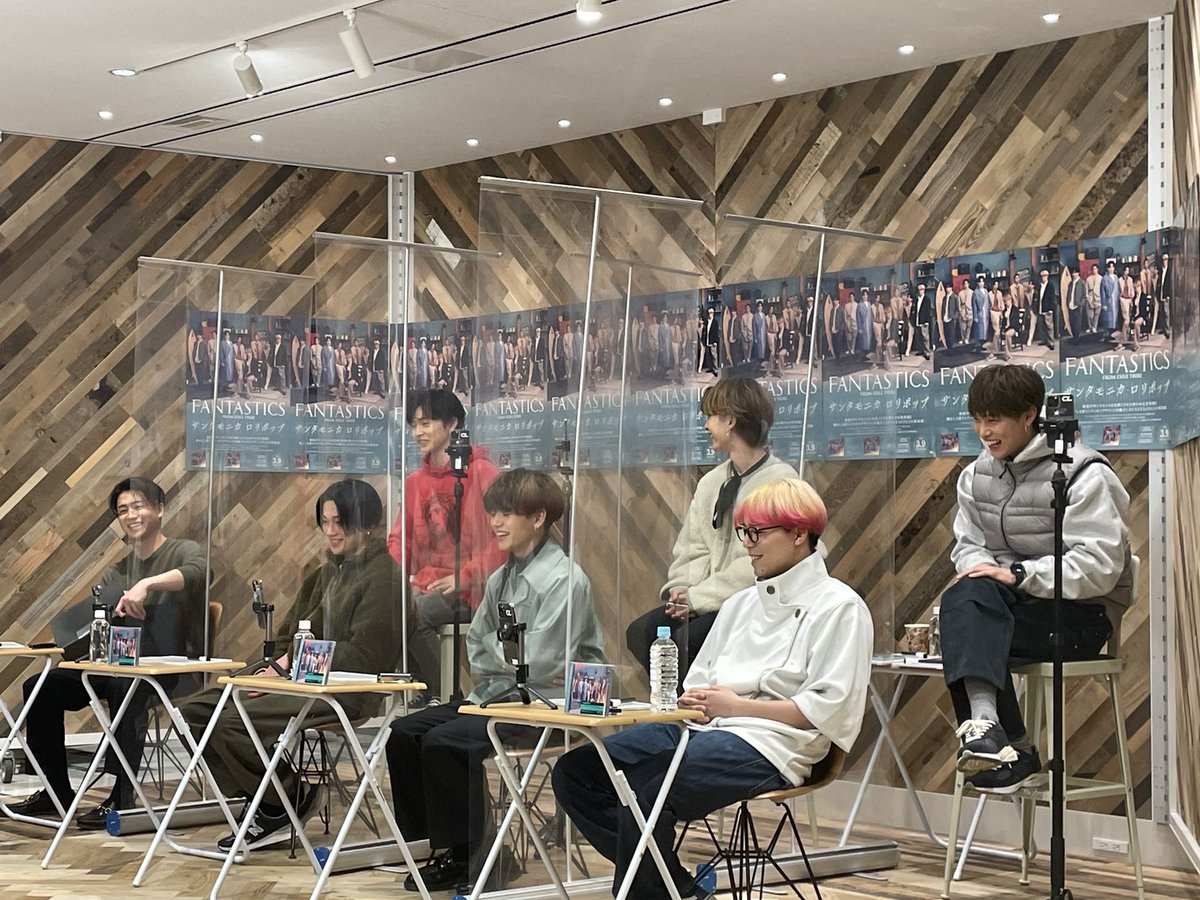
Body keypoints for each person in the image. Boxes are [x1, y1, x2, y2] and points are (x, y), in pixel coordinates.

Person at [554, 479, 873, 900]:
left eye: (757, 532)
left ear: (799, 534)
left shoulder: (841, 607)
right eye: (743, 532)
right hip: (704, 728)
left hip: (773, 744)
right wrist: (697, 701)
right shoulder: (741, 603)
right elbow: (699, 680)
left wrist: (737, 706)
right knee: (576, 772)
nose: (747, 545)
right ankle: (676, 886)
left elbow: (827, 709)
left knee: (648, 791)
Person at [386, 468, 603, 893]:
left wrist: (499, 652)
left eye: (507, 513)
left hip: (547, 705)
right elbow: (476, 647)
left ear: (537, 518)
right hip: (498, 696)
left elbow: (539, 664)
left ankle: (477, 856)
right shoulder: (501, 577)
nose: (496, 522)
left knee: (445, 742)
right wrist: (504, 654)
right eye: (493, 513)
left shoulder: (565, 580)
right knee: (404, 732)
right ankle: (450, 845)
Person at [938, 364, 1132, 792]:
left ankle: (1010, 745)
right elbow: (967, 547)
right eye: (977, 420)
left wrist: (1018, 573)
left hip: (1081, 615)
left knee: (968, 624)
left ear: (1028, 416)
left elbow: (1100, 565)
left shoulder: (1083, 472)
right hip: (1011, 609)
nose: (984, 432)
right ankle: (988, 730)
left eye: (994, 420)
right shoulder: (975, 477)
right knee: (964, 602)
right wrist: (986, 572)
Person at [181, 479, 399, 850]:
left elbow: (366, 658)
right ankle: (268, 795)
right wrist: (275, 670)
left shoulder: (384, 578)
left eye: (340, 522)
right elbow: (286, 636)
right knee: (194, 712)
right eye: (325, 522)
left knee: (232, 721)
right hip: (298, 680)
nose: (331, 531)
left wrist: (289, 662)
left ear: (366, 524)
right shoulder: (324, 574)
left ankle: (282, 802)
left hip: (344, 689)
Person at [8, 477, 206, 828]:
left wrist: (146, 584)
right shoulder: (118, 570)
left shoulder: (182, 550)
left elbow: (200, 572)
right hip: (120, 664)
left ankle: (122, 794)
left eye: (138, 506)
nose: (131, 515)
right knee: (41, 686)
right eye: (123, 510)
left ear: (160, 509)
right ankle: (55, 791)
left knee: (122, 687)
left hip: (167, 667)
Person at [625, 377, 793, 679]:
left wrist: (698, 600)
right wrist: (682, 590)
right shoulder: (712, 482)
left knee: (687, 642)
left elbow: (761, 565)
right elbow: (693, 546)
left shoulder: (779, 482)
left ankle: (698, 705)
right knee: (642, 632)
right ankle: (676, 705)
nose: (706, 426)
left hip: (756, 602)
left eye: (711, 416)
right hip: (708, 599)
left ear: (730, 421)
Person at [387, 388, 505, 696]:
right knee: (391, 607)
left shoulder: (482, 472)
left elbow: (503, 540)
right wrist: (388, 579)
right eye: (414, 425)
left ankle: (444, 694)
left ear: (452, 424)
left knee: (416, 612)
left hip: (472, 589)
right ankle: (417, 692)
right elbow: (401, 540)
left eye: (426, 423)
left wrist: (465, 576)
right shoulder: (415, 482)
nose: (418, 432)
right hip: (428, 584)